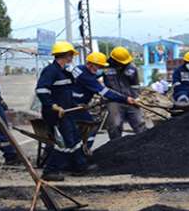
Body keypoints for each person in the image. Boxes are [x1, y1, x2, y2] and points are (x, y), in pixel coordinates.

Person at [36, 41, 92, 182]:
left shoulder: (64, 73)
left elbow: (67, 94)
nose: (72, 57)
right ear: (66, 55)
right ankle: (50, 171)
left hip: (67, 112)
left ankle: (79, 166)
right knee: (65, 142)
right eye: (71, 54)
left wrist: (78, 105)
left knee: (76, 138)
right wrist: (53, 106)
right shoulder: (51, 71)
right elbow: (41, 90)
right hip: (56, 114)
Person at [71, 51, 136, 152]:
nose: (100, 69)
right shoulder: (87, 78)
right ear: (89, 64)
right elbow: (105, 92)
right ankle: (83, 151)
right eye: (99, 66)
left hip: (70, 103)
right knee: (90, 126)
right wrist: (126, 99)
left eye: (101, 67)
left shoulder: (79, 68)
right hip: (74, 106)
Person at [103, 46, 146, 140]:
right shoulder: (104, 67)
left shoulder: (132, 68)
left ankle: (144, 144)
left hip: (131, 99)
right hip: (114, 100)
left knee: (139, 123)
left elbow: (135, 85)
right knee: (115, 124)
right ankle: (115, 145)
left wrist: (136, 98)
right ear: (114, 60)